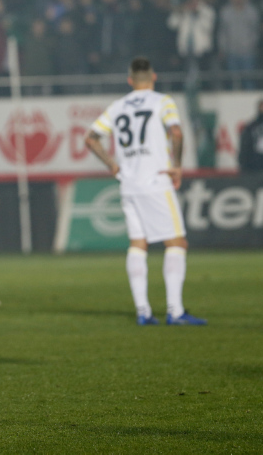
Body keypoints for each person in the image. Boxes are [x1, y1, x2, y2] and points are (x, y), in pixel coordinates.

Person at [85, 57, 207, 326]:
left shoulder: (117, 106)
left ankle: (143, 311)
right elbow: (176, 132)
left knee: (138, 244)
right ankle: (175, 311)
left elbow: (91, 138)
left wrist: (111, 164)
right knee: (176, 243)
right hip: (156, 181)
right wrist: (177, 166)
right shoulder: (162, 101)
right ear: (154, 77)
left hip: (129, 184)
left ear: (130, 80)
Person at [238, 99, 263, 173]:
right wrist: (244, 163)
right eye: (262, 107)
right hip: (256, 163)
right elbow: (245, 145)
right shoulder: (251, 126)